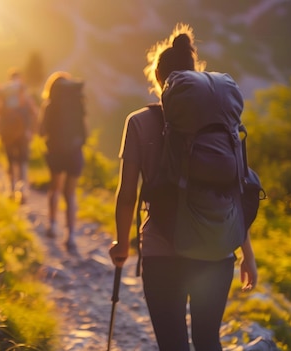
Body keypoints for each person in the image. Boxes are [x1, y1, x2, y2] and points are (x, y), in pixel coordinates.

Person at [108, 23, 258, 351]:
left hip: (163, 250)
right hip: (217, 249)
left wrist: (122, 242)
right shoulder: (223, 126)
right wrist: (247, 254)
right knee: (207, 340)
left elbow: (128, 194)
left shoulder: (138, 122)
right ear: (194, 75)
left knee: (173, 343)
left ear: (159, 79)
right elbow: (233, 187)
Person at [39, 71, 87, 254]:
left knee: (55, 188)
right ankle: (71, 236)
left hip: (56, 151)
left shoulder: (49, 105)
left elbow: (42, 130)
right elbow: (85, 129)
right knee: (70, 194)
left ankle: (52, 225)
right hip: (75, 152)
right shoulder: (77, 102)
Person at [0, 68, 38, 203]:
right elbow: (35, 113)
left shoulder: (5, 94)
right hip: (23, 133)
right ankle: (23, 192)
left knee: (11, 161)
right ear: (21, 79)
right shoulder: (24, 94)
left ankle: (11, 190)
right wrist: (32, 130)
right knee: (22, 162)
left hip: (7, 133)